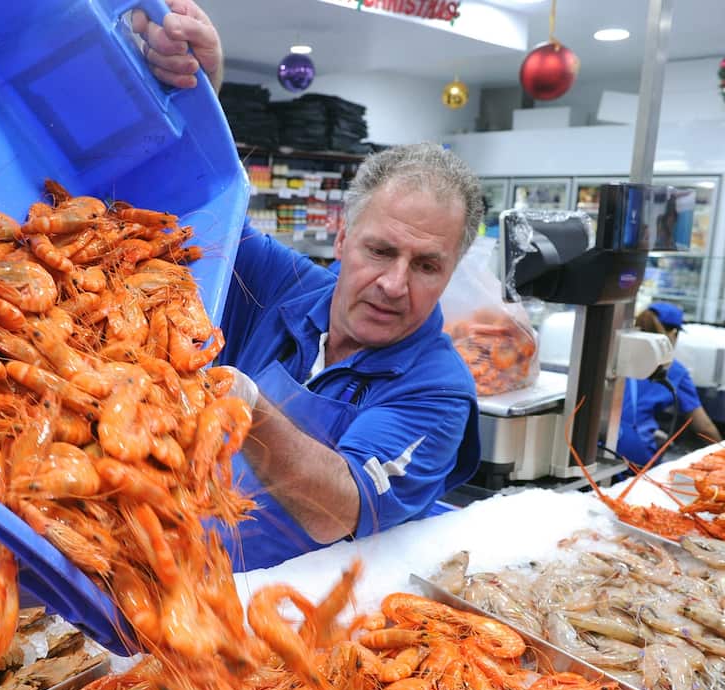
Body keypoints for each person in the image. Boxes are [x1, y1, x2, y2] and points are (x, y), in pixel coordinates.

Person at [135, 4, 483, 572]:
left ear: (452, 269)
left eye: (426, 266)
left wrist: (249, 407)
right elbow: (198, 213)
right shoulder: (285, 286)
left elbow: (337, 508)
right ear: (343, 237)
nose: (394, 285)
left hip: (283, 621)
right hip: (160, 563)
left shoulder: (438, 390)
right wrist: (199, 93)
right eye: (379, 250)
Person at [617, 303, 720, 468]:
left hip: (601, 445)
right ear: (673, 333)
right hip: (635, 455)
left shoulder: (617, 356)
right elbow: (704, 427)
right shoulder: (674, 370)